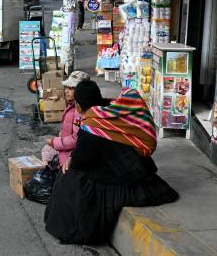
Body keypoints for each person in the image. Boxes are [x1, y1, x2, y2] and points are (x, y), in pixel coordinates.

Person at [44, 81, 179, 244]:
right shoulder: (113, 108)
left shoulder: (91, 125)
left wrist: (72, 159)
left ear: (78, 107)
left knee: (68, 179)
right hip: (139, 168)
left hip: (119, 176)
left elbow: (82, 161)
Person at [45, 71, 90, 167]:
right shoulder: (73, 104)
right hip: (66, 146)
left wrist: (55, 142)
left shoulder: (80, 110)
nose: (66, 90)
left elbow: (77, 138)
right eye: (66, 87)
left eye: (71, 88)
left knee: (47, 153)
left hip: (71, 153)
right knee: (46, 150)